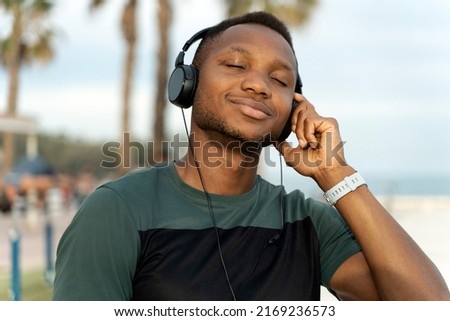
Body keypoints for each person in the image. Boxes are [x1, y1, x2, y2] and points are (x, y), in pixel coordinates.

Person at [52, 11, 450, 301]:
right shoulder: (119, 210)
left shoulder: (306, 221)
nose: (259, 85)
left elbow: (429, 307)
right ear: (187, 85)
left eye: (279, 80)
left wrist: (335, 174)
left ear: (293, 112)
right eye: (236, 64)